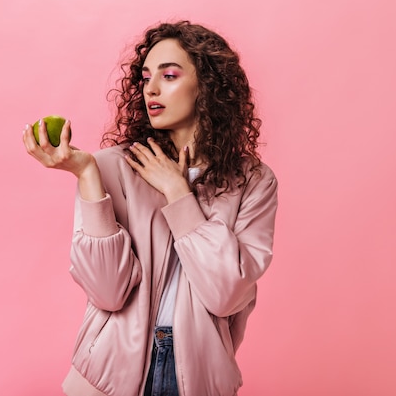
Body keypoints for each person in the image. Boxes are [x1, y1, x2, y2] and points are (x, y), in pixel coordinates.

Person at [22, 20, 278, 396]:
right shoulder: (111, 166)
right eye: (145, 78)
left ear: (208, 88)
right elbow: (108, 293)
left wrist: (178, 192)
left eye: (169, 75)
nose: (151, 89)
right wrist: (88, 176)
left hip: (199, 377)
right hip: (110, 376)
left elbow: (226, 294)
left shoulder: (253, 181)